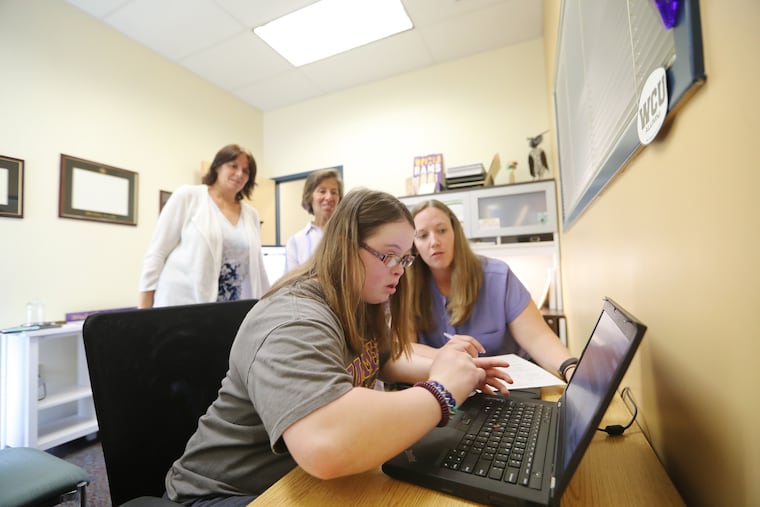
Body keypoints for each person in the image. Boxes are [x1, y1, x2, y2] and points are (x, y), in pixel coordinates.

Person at [164, 188, 512, 505]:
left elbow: (386, 361)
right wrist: (443, 391)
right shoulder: (293, 319)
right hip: (220, 495)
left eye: (405, 259)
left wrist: (455, 368)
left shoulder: (358, 302)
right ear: (345, 247)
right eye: (389, 256)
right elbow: (325, 444)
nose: (399, 271)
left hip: (294, 480)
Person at [408, 199, 577, 381]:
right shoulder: (406, 287)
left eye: (442, 230)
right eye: (422, 235)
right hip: (447, 386)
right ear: (412, 244)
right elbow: (403, 347)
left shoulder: (498, 276)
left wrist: (570, 367)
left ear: (455, 232)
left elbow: (538, 338)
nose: (434, 242)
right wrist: (444, 357)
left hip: (508, 385)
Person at [138, 144, 270, 308]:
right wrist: (144, 308)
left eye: (246, 171)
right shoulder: (188, 197)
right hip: (182, 304)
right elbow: (157, 253)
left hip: (229, 309)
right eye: (233, 166)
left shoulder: (251, 215)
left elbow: (257, 268)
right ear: (217, 167)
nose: (239, 174)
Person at [284, 168, 343, 271]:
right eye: (322, 191)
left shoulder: (350, 236)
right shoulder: (295, 242)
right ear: (310, 197)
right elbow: (290, 284)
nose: (329, 197)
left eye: (334, 192)